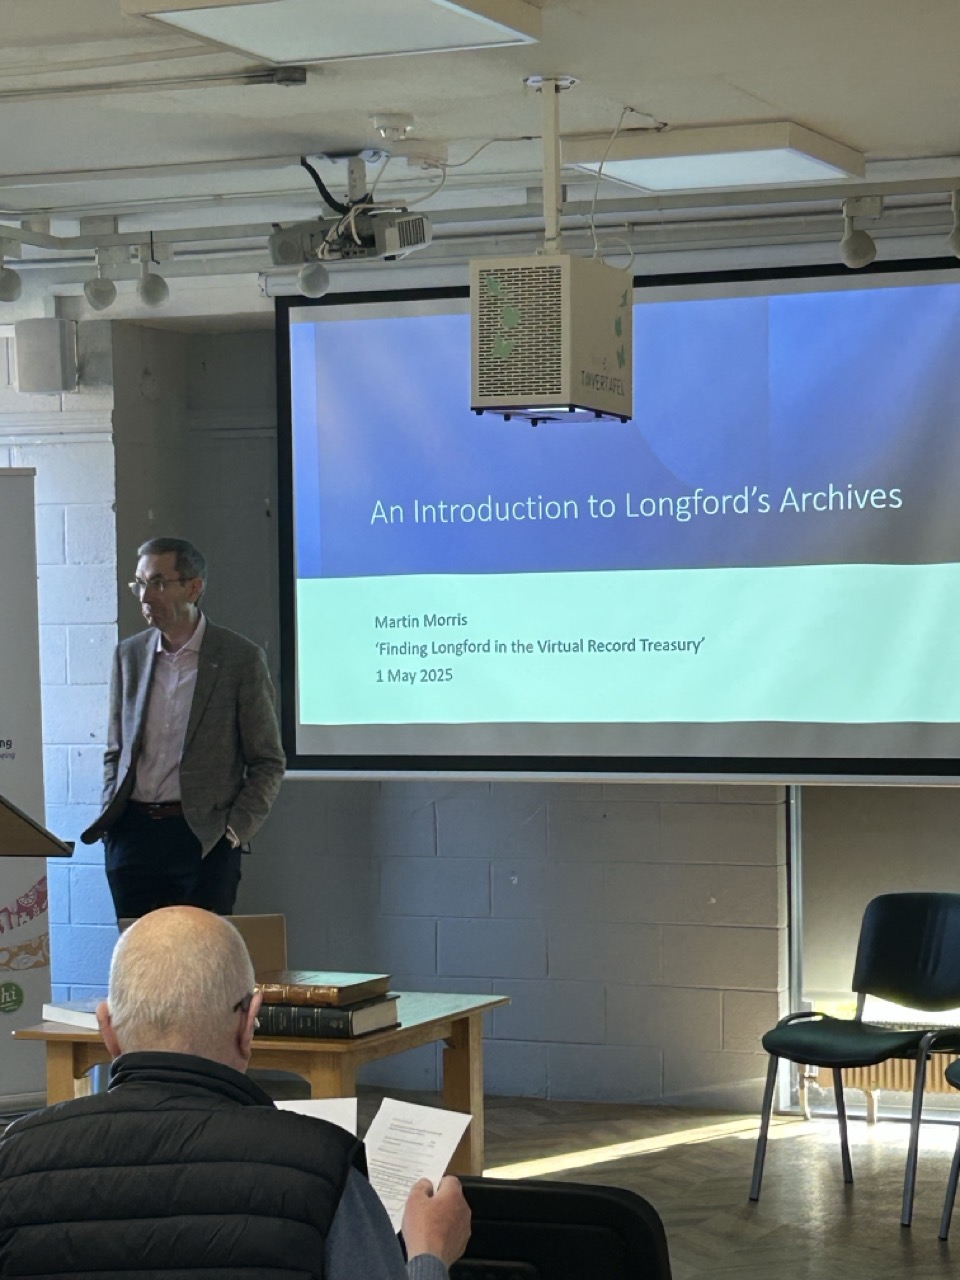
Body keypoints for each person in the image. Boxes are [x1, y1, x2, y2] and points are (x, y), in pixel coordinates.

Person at [0, 908, 471, 1279]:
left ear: (108, 1029)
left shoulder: (13, 1159)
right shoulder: (322, 1167)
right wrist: (429, 1255)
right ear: (249, 1024)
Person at [81, 536, 286, 919]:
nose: (145, 596)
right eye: (140, 584)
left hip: (203, 839)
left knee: (200, 956)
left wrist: (234, 832)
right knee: (139, 955)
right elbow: (116, 750)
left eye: (158, 583)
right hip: (133, 837)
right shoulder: (129, 655)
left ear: (194, 588)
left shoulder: (239, 659)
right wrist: (112, 821)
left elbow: (267, 761)